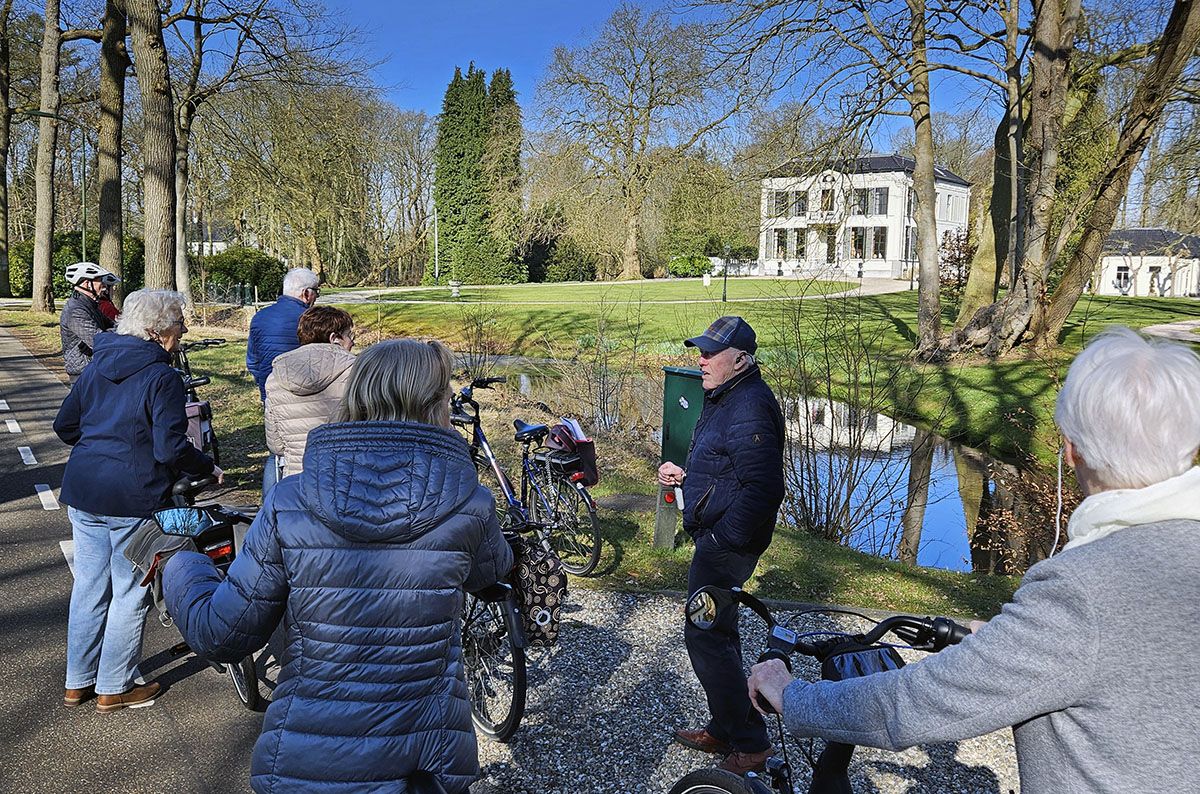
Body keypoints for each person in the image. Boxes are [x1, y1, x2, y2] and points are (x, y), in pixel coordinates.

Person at [749, 326, 1200, 792]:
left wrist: (794, 696)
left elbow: (917, 704)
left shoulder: (1080, 591)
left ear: (1071, 450)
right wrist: (1015, 636)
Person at [163, 338, 513, 793]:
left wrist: (181, 565)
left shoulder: (290, 502)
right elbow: (493, 576)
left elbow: (222, 634)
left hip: (306, 763)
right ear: (435, 404)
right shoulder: (470, 503)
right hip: (425, 763)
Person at [53, 289, 220, 713]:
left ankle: (78, 681)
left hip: (85, 489)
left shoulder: (97, 365)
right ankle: (114, 685)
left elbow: (65, 426)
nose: (183, 330)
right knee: (130, 590)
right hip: (132, 496)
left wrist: (99, 441)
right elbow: (169, 450)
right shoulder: (162, 376)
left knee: (90, 586)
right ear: (158, 330)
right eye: (179, 322)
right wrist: (206, 467)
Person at [660, 315, 785, 775]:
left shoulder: (749, 404)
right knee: (720, 633)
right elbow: (729, 472)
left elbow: (764, 488)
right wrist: (689, 478)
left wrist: (721, 539)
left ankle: (750, 744)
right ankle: (725, 726)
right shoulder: (728, 395)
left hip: (727, 547)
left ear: (742, 359)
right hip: (720, 540)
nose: (702, 358)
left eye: (712, 352)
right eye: (701, 349)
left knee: (706, 638)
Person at [245, 267, 319, 493]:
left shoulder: (260, 318)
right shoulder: (310, 320)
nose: (316, 298)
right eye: (317, 292)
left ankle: (269, 505)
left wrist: (265, 388)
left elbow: (252, 361)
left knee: (277, 452)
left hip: (273, 396)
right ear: (306, 293)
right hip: (309, 397)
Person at [264, 306, 356, 482]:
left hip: (297, 481)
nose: (352, 342)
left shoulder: (275, 377)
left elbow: (275, 444)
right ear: (334, 338)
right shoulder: (357, 373)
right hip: (346, 477)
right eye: (350, 336)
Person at [60, 262, 119, 380]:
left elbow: (113, 325)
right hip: (83, 374)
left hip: (93, 369)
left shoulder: (90, 305)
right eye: (100, 282)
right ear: (87, 283)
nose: (104, 287)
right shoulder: (75, 310)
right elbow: (99, 339)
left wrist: (130, 327)